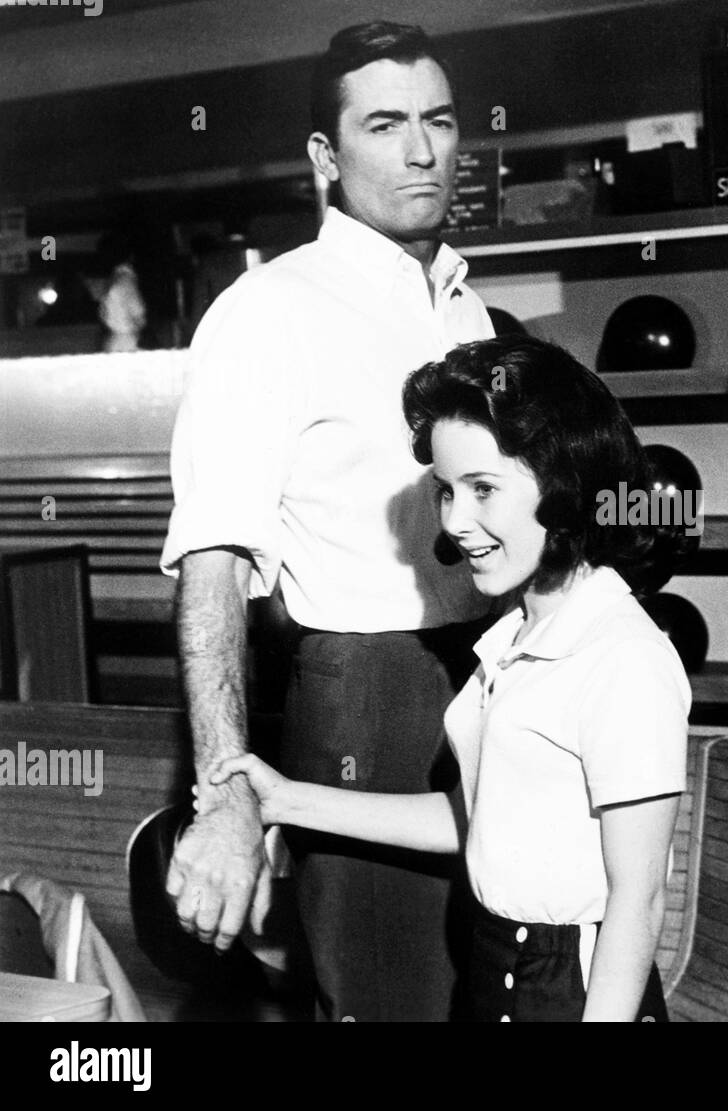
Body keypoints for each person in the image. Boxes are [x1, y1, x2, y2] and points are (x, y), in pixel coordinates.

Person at [203, 336, 692, 1022]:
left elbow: (638, 903)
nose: (456, 522)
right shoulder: (514, 641)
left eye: (484, 489)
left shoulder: (622, 656)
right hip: (493, 967)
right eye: (445, 491)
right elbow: (473, 821)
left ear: (566, 481)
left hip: (575, 990)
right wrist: (286, 800)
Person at [159, 21, 494, 1021]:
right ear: (326, 158)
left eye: (437, 120)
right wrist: (224, 797)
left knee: (488, 988)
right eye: (385, 125)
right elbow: (213, 561)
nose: (421, 150)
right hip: (364, 695)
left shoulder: (466, 310)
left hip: (485, 676)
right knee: (387, 997)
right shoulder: (269, 310)